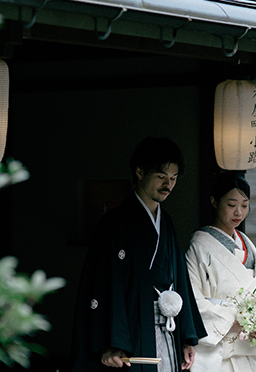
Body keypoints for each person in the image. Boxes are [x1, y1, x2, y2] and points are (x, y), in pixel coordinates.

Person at [72, 137, 206, 372]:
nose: (168, 185)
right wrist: (113, 342)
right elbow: (105, 284)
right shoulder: (114, 224)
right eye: (161, 177)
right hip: (132, 331)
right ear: (140, 172)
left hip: (168, 329)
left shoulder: (167, 223)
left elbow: (180, 281)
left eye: (173, 178)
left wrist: (187, 336)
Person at [185, 172, 256, 372]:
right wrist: (235, 319)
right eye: (231, 205)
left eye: (244, 205)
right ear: (214, 201)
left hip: (249, 344)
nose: (239, 212)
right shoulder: (198, 246)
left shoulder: (248, 244)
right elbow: (194, 301)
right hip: (218, 350)